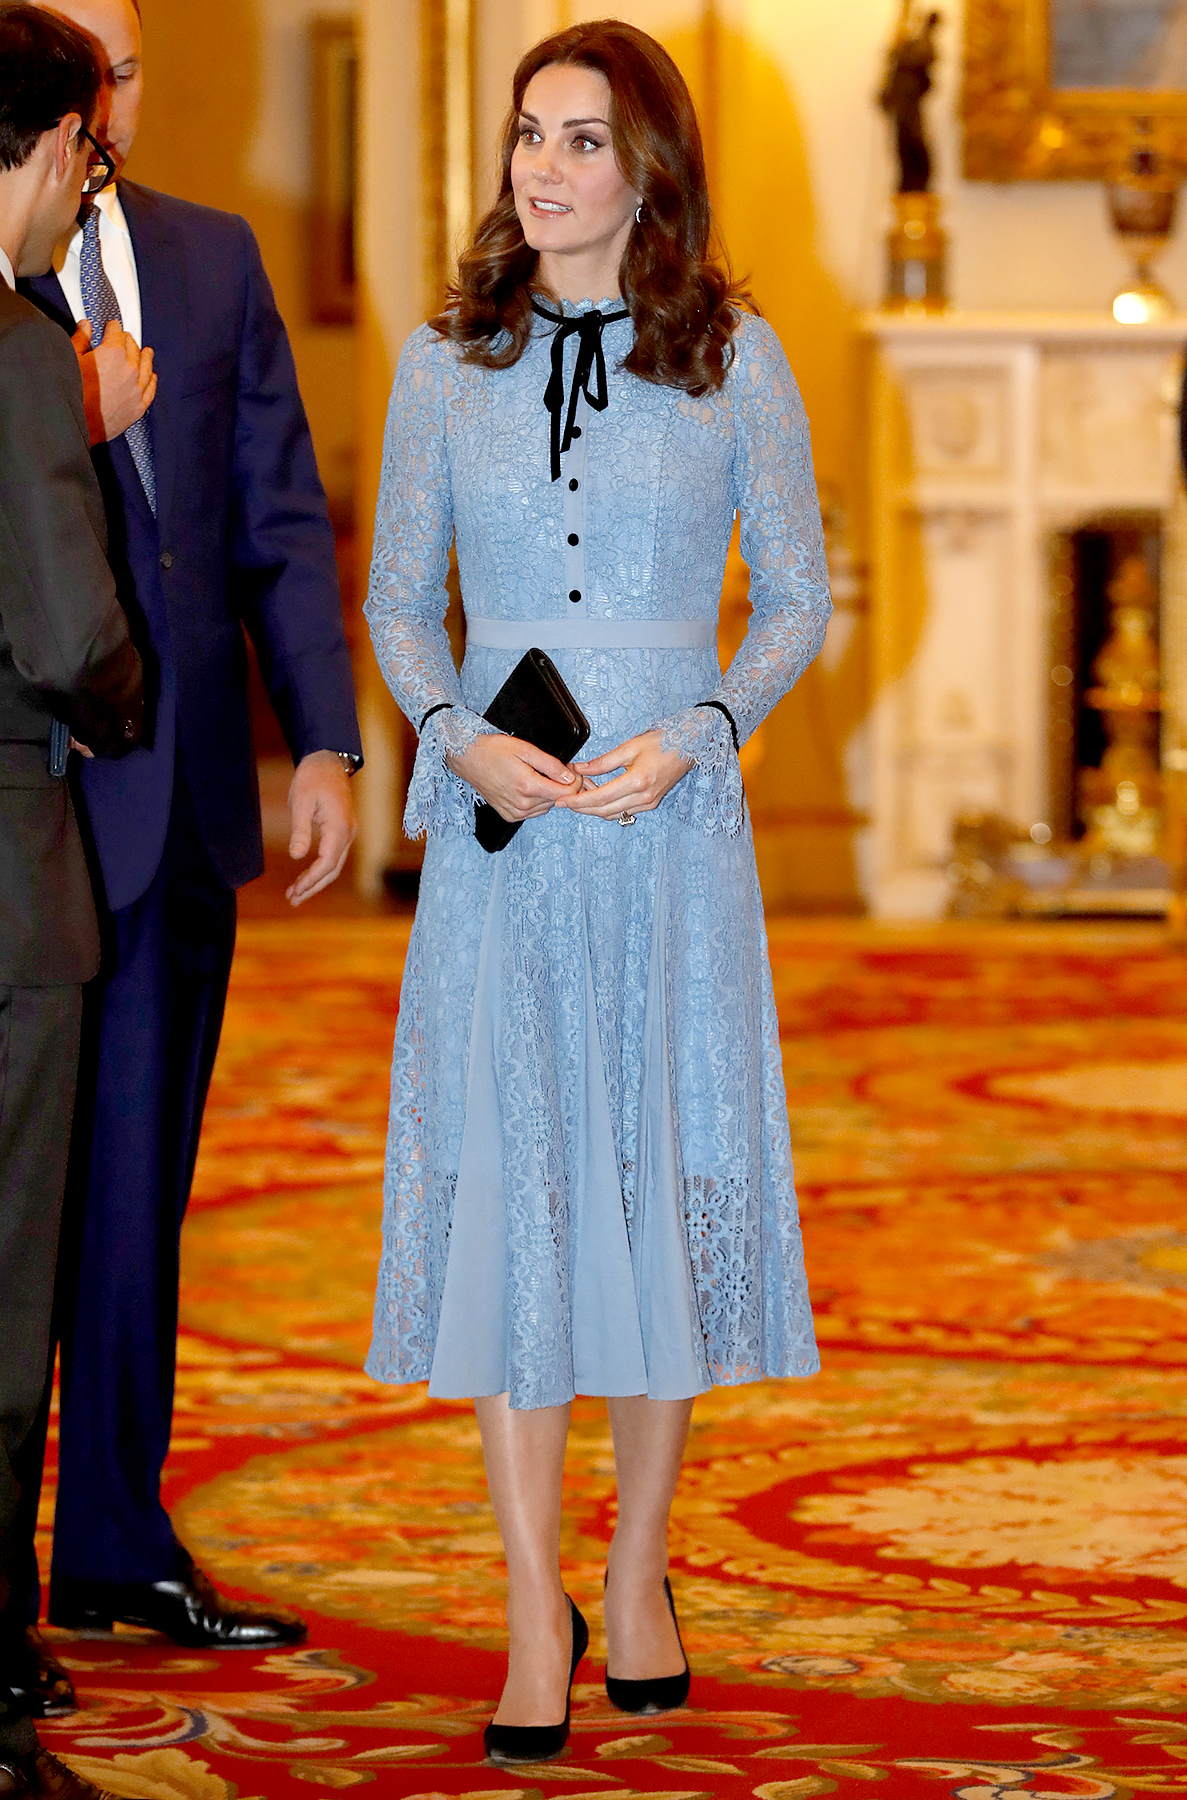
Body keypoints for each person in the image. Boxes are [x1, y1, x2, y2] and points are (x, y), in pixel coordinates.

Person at [364, 19, 827, 1765]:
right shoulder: (440, 363)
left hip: (664, 836)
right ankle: (522, 1607)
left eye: (581, 142)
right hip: (504, 839)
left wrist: (709, 722)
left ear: (647, 171)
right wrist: (447, 733)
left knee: (647, 1186)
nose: (542, 171)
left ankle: (633, 1573)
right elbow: (404, 598)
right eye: (527, 137)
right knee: (514, 1202)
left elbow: (793, 595)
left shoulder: (739, 359)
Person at [16, 0, 364, 1672]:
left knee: (139, 1189)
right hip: (27, 798)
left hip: (180, 803)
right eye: (75, 68)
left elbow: (279, 524)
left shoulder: (213, 258)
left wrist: (327, 741)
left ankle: (114, 1545)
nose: (104, 99)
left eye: (125, 69)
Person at [0, 5, 143, 1792]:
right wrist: (129, 704)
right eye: (83, 165)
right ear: (40, 148)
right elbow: (67, 634)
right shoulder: (23, 349)